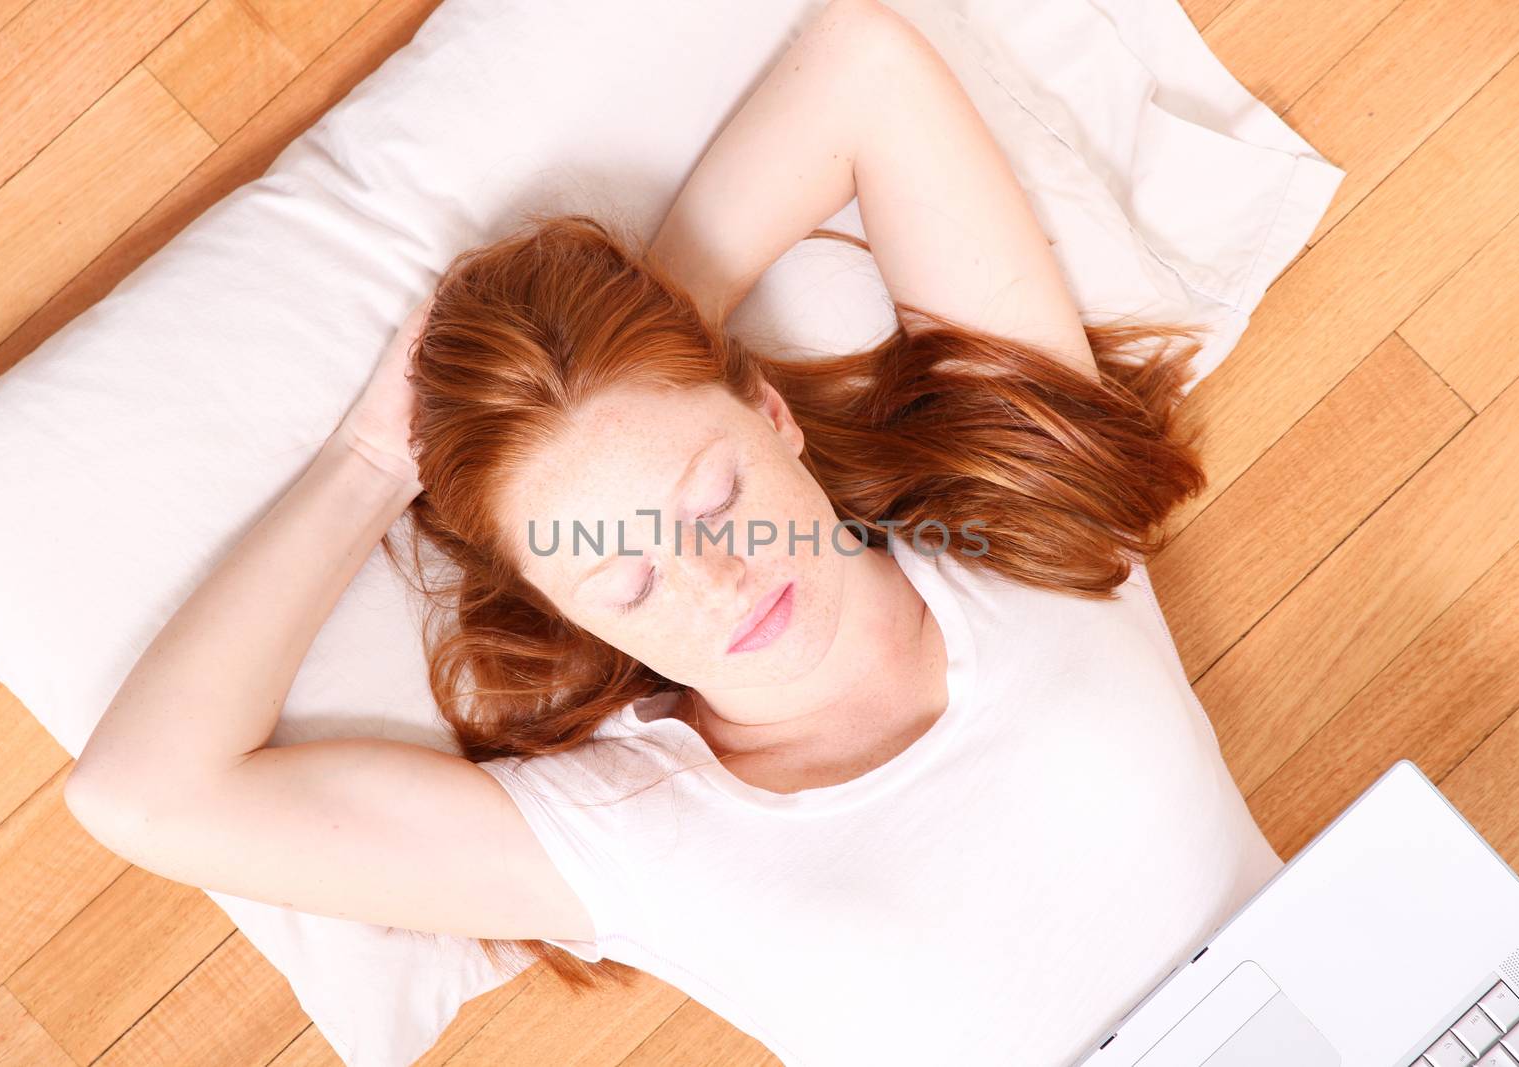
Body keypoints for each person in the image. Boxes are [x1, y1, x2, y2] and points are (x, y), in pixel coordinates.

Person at [64, 0, 1284, 1062]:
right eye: (626, 573)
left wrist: (636, 349)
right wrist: (372, 460)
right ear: (569, 613)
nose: (715, 577)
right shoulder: (633, 835)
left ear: (769, 411)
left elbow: (867, 69)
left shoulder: (1017, 521)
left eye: (712, 497)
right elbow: (145, 795)